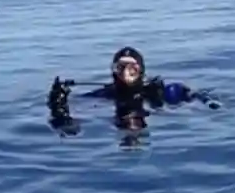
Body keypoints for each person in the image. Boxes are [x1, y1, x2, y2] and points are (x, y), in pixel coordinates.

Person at [47, 46, 216, 134]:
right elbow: (73, 115)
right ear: (113, 71)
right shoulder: (106, 94)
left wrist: (208, 101)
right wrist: (57, 105)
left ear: (141, 70)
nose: (126, 73)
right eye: (121, 67)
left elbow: (193, 96)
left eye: (132, 68)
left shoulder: (156, 92)